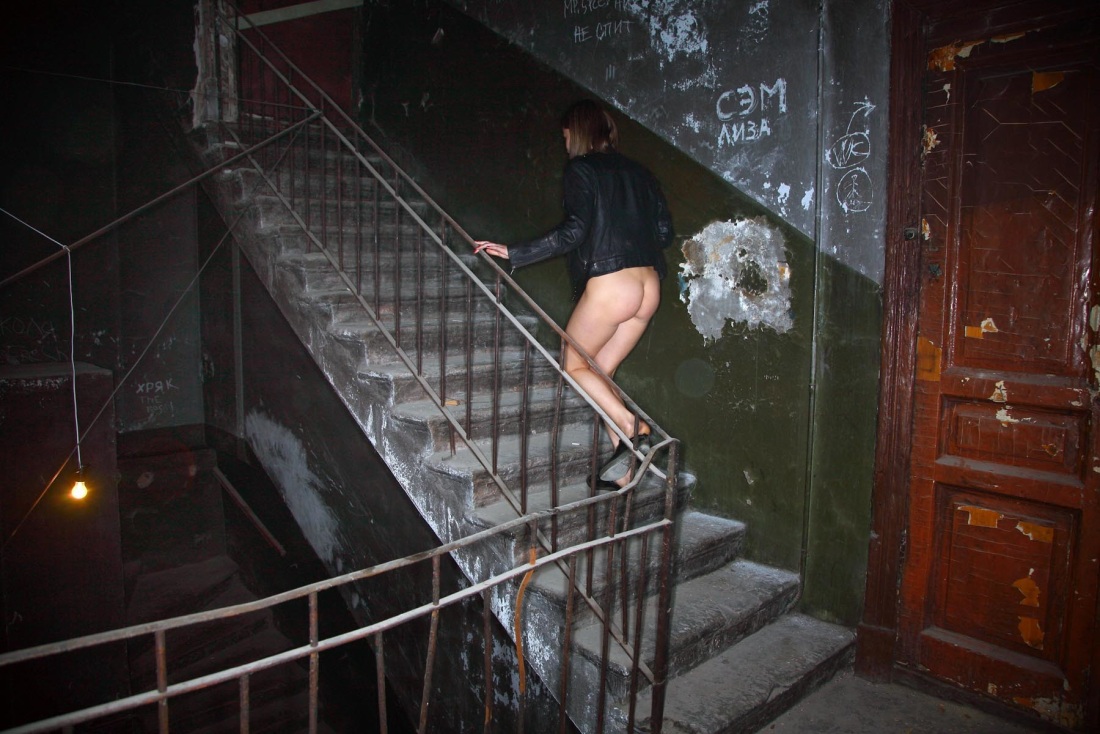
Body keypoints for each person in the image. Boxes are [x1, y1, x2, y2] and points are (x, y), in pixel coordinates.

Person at [474, 99, 674, 488]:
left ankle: (635, 428)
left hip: (612, 286)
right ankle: (625, 470)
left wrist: (515, 251)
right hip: (649, 286)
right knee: (602, 371)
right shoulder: (642, 173)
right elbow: (664, 234)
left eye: (566, 136)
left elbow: (573, 232)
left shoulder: (581, 169)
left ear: (577, 133)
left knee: (572, 365)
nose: (565, 144)